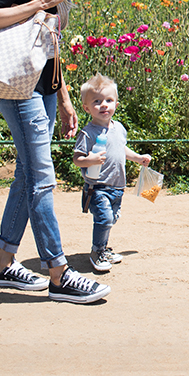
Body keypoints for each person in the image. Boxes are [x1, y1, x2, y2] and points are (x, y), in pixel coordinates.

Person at [0, 0, 115, 304]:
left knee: (27, 175)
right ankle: (58, 274)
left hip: (42, 87)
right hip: (19, 90)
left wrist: (66, 96)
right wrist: (39, 2)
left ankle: (3, 266)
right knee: (41, 178)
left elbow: (46, 44)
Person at [72, 73, 151, 273]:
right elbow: (77, 159)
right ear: (86, 108)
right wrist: (90, 160)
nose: (104, 105)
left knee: (111, 219)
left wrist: (137, 157)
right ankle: (96, 252)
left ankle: (103, 248)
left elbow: (121, 148)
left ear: (116, 102)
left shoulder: (119, 129)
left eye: (109, 100)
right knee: (104, 219)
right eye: (97, 102)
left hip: (117, 185)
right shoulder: (88, 133)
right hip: (97, 186)